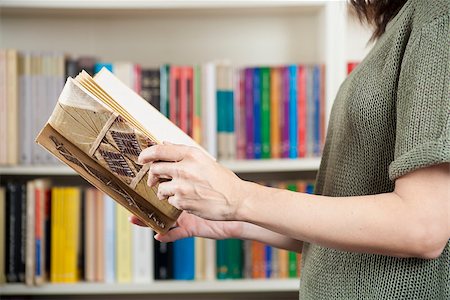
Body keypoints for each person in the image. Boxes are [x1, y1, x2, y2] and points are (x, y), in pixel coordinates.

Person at [132, 0, 449, 298]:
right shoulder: (400, 22)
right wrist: (232, 220)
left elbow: (422, 226)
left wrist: (240, 198)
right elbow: (351, 235)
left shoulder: (437, 15)